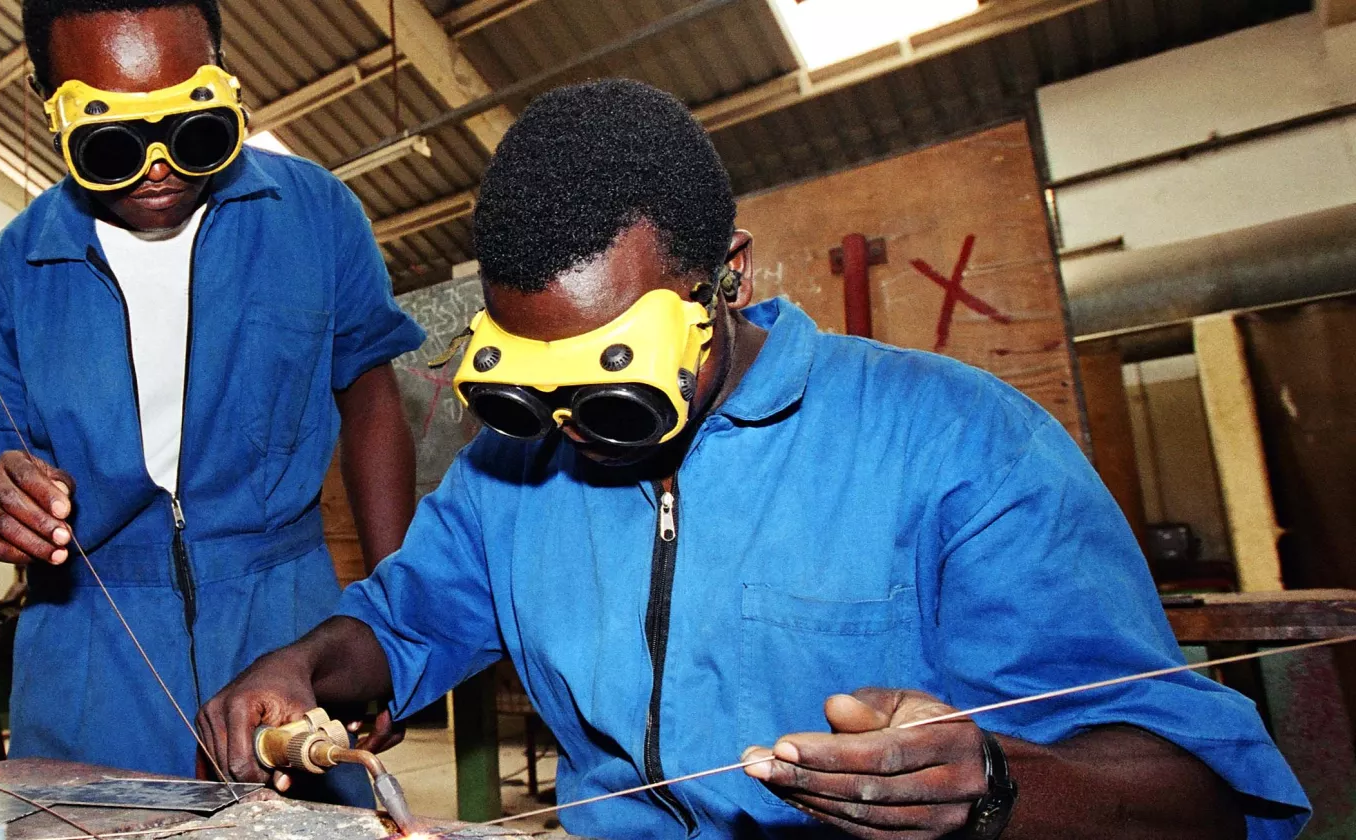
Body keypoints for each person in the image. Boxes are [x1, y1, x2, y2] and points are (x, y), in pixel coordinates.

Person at [198, 80, 1309, 839]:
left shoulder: (957, 443)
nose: (574, 422)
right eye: (540, 384)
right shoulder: (510, 472)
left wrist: (992, 791)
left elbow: (1196, 794)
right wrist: (297, 667)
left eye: (615, 374)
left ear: (723, 275)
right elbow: (399, 625)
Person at [0, 0, 423, 801]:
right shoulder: (2, 283)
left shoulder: (314, 215)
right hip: (90, 648)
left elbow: (371, 398)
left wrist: (397, 627)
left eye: (189, 127)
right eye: (113, 142)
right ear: (48, 100)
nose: (157, 166)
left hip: (288, 623)